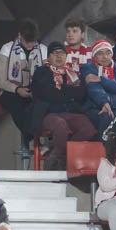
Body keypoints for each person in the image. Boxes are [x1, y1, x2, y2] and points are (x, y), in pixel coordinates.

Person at [32, 41, 98, 170]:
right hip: (48, 113)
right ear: (49, 57)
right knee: (60, 125)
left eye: (62, 53)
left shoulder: (71, 73)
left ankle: (61, 155)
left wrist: (62, 90)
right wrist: (68, 92)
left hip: (70, 112)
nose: (59, 56)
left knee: (89, 129)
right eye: (55, 53)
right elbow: (48, 94)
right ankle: (62, 164)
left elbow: (81, 94)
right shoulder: (41, 72)